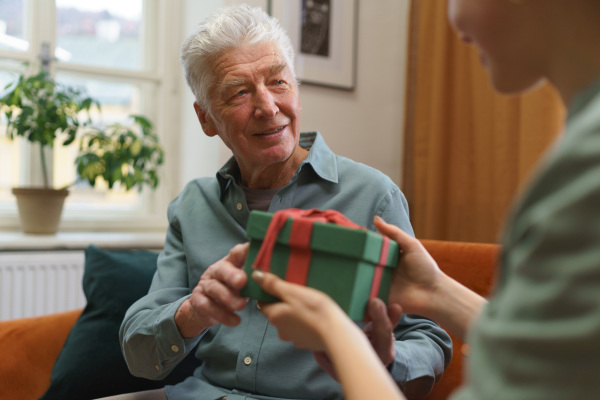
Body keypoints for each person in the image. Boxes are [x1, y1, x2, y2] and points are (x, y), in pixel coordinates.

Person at [251, 0, 600, 399]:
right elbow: (555, 360)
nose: (453, 19)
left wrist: (334, 330)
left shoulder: (585, 171)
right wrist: (434, 291)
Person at [115, 4, 452, 400]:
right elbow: (138, 353)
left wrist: (383, 358)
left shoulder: (372, 196)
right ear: (206, 118)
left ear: (296, 88)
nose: (268, 106)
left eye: (278, 82)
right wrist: (193, 312)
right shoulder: (192, 206)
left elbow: (429, 339)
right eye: (240, 92)